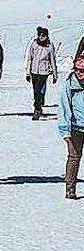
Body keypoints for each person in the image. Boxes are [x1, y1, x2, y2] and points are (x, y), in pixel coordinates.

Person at [58, 55, 84, 200]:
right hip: (75, 128)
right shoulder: (69, 85)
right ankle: (70, 188)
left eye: (83, 70)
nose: (79, 73)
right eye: (77, 70)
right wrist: (65, 132)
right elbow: (64, 109)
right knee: (74, 157)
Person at [25, 27, 58, 120]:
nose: (41, 37)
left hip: (44, 72)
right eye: (39, 35)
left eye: (43, 36)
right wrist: (28, 73)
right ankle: (38, 105)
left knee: (38, 90)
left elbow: (52, 61)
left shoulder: (49, 47)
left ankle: (37, 109)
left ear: (46, 36)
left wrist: (55, 75)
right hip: (34, 71)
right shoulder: (34, 44)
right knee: (35, 90)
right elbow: (29, 58)